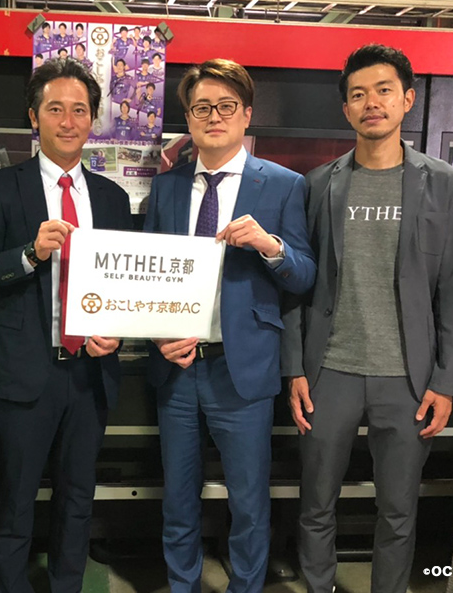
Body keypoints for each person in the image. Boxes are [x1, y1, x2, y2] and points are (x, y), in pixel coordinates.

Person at [282, 43, 453, 593]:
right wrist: (294, 368)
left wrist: (446, 381)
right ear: (346, 109)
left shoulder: (444, 183)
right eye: (359, 94)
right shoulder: (318, 184)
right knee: (316, 503)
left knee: (398, 511)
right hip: (329, 372)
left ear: (407, 99)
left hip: (408, 378)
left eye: (384, 90)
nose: (372, 103)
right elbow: (297, 280)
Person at [0, 58, 133, 593]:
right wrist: (29, 254)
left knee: (78, 499)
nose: (68, 120)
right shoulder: (1, 187)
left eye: (79, 110)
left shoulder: (111, 198)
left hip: (90, 375)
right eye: (55, 109)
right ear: (34, 118)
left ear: (92, 120)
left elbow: (126, 285)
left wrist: (117, 331)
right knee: (14, 500)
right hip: (25, 374)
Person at [144, 58, 315, 593]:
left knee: (248, 502)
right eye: (201, 108)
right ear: (189, 119)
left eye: (225, 106)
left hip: (243, 371)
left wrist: (270, 245)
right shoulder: (167, 188)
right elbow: (147, 276)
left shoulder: (283, 185)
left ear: (246, 114)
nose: (213, 117)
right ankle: (182, 586)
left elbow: (305, 275)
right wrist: (156, 333)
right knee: (178, 500)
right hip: (177, 370)